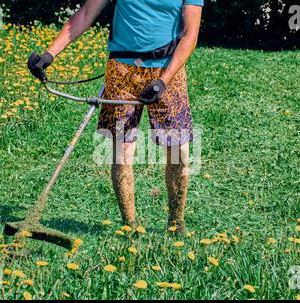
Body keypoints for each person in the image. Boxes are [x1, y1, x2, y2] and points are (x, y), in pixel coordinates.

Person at [27, 0, 203, 234]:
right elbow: (87, 13)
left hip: (168, 70)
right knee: (122, 150)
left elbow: (190, 34)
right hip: (122, 70)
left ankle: (176, 222)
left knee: (179, 149)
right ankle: (130, 227)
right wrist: (50, 54)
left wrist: (163, 81)